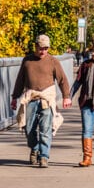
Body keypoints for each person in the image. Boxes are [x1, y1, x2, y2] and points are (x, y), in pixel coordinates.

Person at [11, 34, 70, 168]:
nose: (43, 51)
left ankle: (44, 156)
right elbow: (20, 80)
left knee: (45, 129)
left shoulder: (53, 61)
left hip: (46, 100)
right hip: (31, 99)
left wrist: (66, 96)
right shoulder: (27, 61)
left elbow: (62, 80)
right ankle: (34, 148)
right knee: (29, 129)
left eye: (46, 48)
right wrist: (15, 97)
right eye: (41, 48)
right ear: (36, 46)